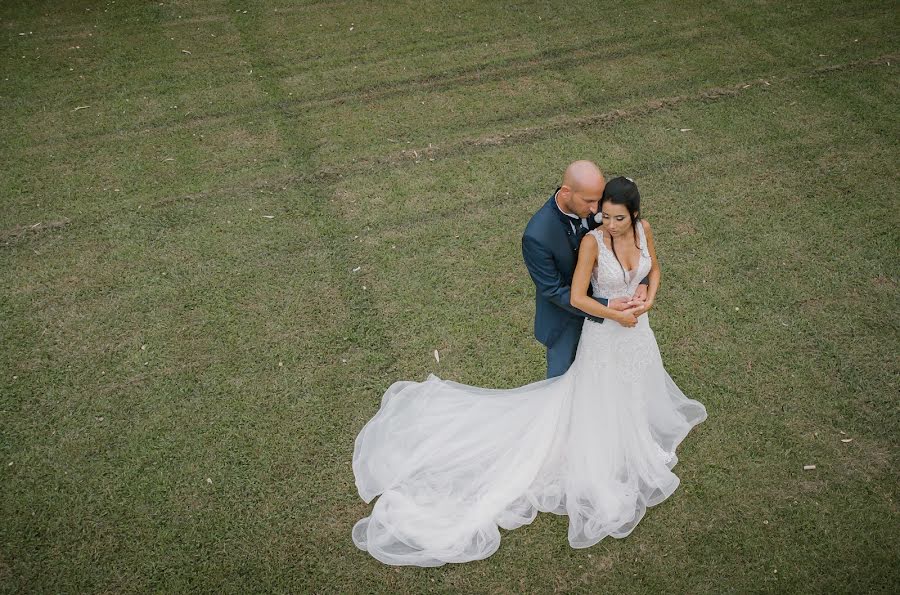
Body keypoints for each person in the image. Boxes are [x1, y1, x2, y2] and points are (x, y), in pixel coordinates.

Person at [351, 174, 707, 567]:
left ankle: (633, 436)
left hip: (638, 334)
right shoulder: (590, 241)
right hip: (606, 334)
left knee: (633, 388)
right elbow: (573, 295)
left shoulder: (643, 230)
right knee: (595, 394)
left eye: (616, 218)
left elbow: (653, 270)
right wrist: (614, 315)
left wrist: (647, 297)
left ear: (635, 215)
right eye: (603, 215)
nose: (606, 223)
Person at [522, 161, 648, 378]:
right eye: (590, 201)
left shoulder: (598, 203)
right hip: (565, 322)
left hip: (612, 316)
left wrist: (642, 281)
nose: (596, 209)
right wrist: (605, 307)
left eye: (598, 200)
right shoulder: (537, 235)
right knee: (562, 382)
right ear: (566, 192)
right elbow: (553, 290)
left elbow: (631, 236)